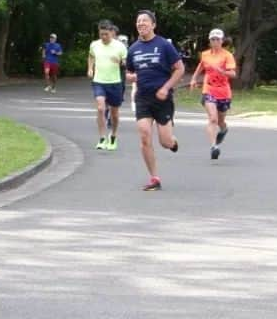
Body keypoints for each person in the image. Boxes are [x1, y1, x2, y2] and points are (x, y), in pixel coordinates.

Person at [126, 10, 184, 191]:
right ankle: (154, 178)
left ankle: (173, 142)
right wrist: (131, 77)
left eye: (144, 21)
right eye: (138, 21)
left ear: (153, 25)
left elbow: (179, 69)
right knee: (144, 135)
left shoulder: (164, 45)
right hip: (143, 97)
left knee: (165, 142)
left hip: (162, 98)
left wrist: (166, 88)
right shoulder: (133, 49)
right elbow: (129, 71)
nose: (141, 24)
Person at [189, 28, 237, 160]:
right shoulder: (205, 55)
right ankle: (214, 146)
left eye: (217, 39)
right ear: (209, 41)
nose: (215, 42)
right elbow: (201, 66)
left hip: (224, 92)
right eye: (213, 39)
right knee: (213, 119)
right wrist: (193, 79)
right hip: (209, 89)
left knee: (220, 121)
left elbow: (233, 74)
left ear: (222, 41)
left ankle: (223, 130)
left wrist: (222, 71)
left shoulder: (227, 55)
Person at [88, 20, 128, 150]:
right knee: (100, 108)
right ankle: (102, 138)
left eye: (106, 34)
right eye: (101, 34)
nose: (104, 37)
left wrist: (120, 62)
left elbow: (126, 62)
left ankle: (113, 136)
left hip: (115, 83)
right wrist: (90, 68)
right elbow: (91, 56)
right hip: (99, 81)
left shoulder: (120, 46)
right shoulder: (94, 45)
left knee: (114, 113)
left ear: (111, 33)